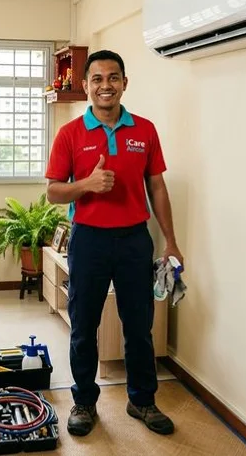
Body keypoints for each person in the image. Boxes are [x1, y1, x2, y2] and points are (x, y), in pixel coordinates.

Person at [45, 50, 184, 437]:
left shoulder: (145, 130)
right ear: (87, 85)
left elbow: (156, 186)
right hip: (88, 241)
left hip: (134, 241)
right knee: (83, 327)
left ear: (124, 82)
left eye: (113, 78)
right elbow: (54, 193)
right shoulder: (70, 134)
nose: (106, 85)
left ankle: (142, 400)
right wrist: (86, 185)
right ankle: (85, 402)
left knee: (139, 326)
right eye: (97, 79)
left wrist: (170, 241)